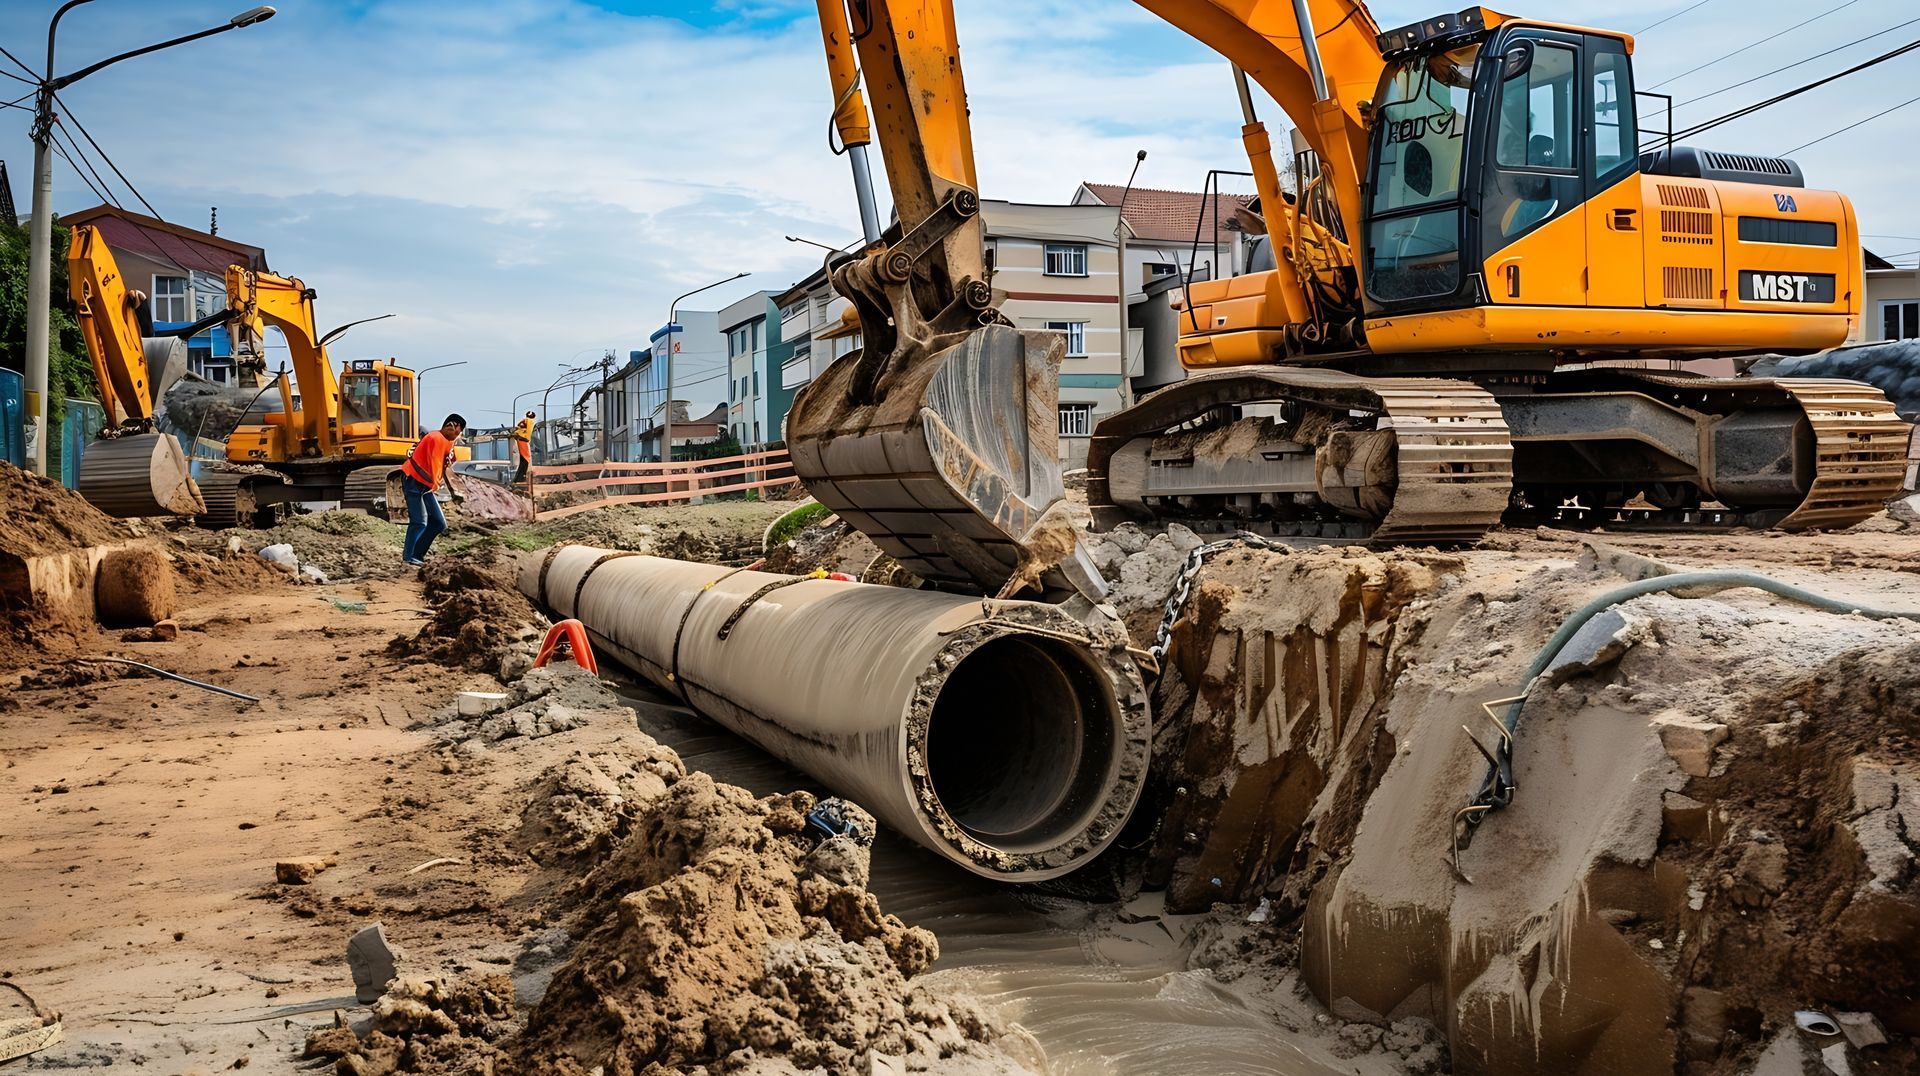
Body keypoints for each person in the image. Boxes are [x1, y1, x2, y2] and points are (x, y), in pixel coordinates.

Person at [401, 413, 466, 566]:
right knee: (419, 522)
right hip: (414, 482)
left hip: (424, 485)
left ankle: (417, 555)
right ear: (453, 426)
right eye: (459, 431)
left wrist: (452, 488)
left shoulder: (448, 441)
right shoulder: (435, 438)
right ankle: (409, 557)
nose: (458, 435)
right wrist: (439, 487)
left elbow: (446, 464)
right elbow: (435, 465)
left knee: (438, 522)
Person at [512, 410, 536, 485]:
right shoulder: (530, 421)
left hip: (520, 439)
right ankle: (521, 478)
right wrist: (527, 438)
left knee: (523, 460)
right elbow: (528, 431)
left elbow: (520, 428)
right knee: (526, 459)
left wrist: (516, 433)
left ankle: (518, 479)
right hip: (523, 440)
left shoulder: (524, 420)